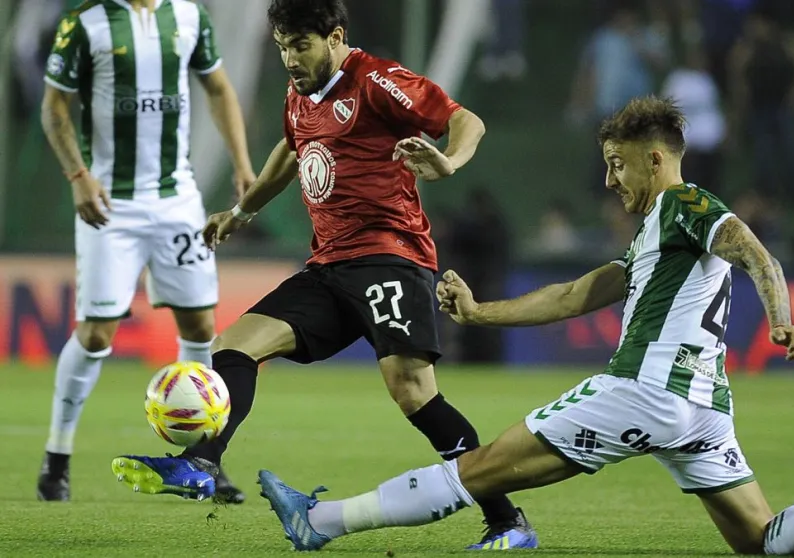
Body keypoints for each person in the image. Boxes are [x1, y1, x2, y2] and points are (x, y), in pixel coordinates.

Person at [257, 96, 794, 558]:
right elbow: (577, 294)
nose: (610, 178)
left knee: (479, 471)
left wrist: (783, 318)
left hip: (643, 389)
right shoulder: (654, 237)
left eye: (617, 163)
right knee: (757, 537)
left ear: (654, 158)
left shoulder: (684, 203)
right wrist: (481, 311)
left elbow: (754, 251)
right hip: (704, 411)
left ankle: (318, 522)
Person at [109, 0, 538, 549]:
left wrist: (448, 161)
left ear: (335, 36)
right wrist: (241, 212)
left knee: (414, 394)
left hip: (391, 258)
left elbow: (465, 120)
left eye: (301, 44)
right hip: (329, 266)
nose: (290, 57)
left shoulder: (377, 80)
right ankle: (200, 464)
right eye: (283, 45)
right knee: (232, 350)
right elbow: (290, 153)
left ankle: (506, 521)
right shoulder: (299, 95)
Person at [38, 0, 255, 501]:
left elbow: (218, 87)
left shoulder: (188, 15)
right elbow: (54, 106)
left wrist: (243, 165)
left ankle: (201, 461)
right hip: (110, 201)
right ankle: (57, 455)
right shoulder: (85, 20)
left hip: (176, 201)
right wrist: (77, 175)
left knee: (201, 327)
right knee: (95, 334)